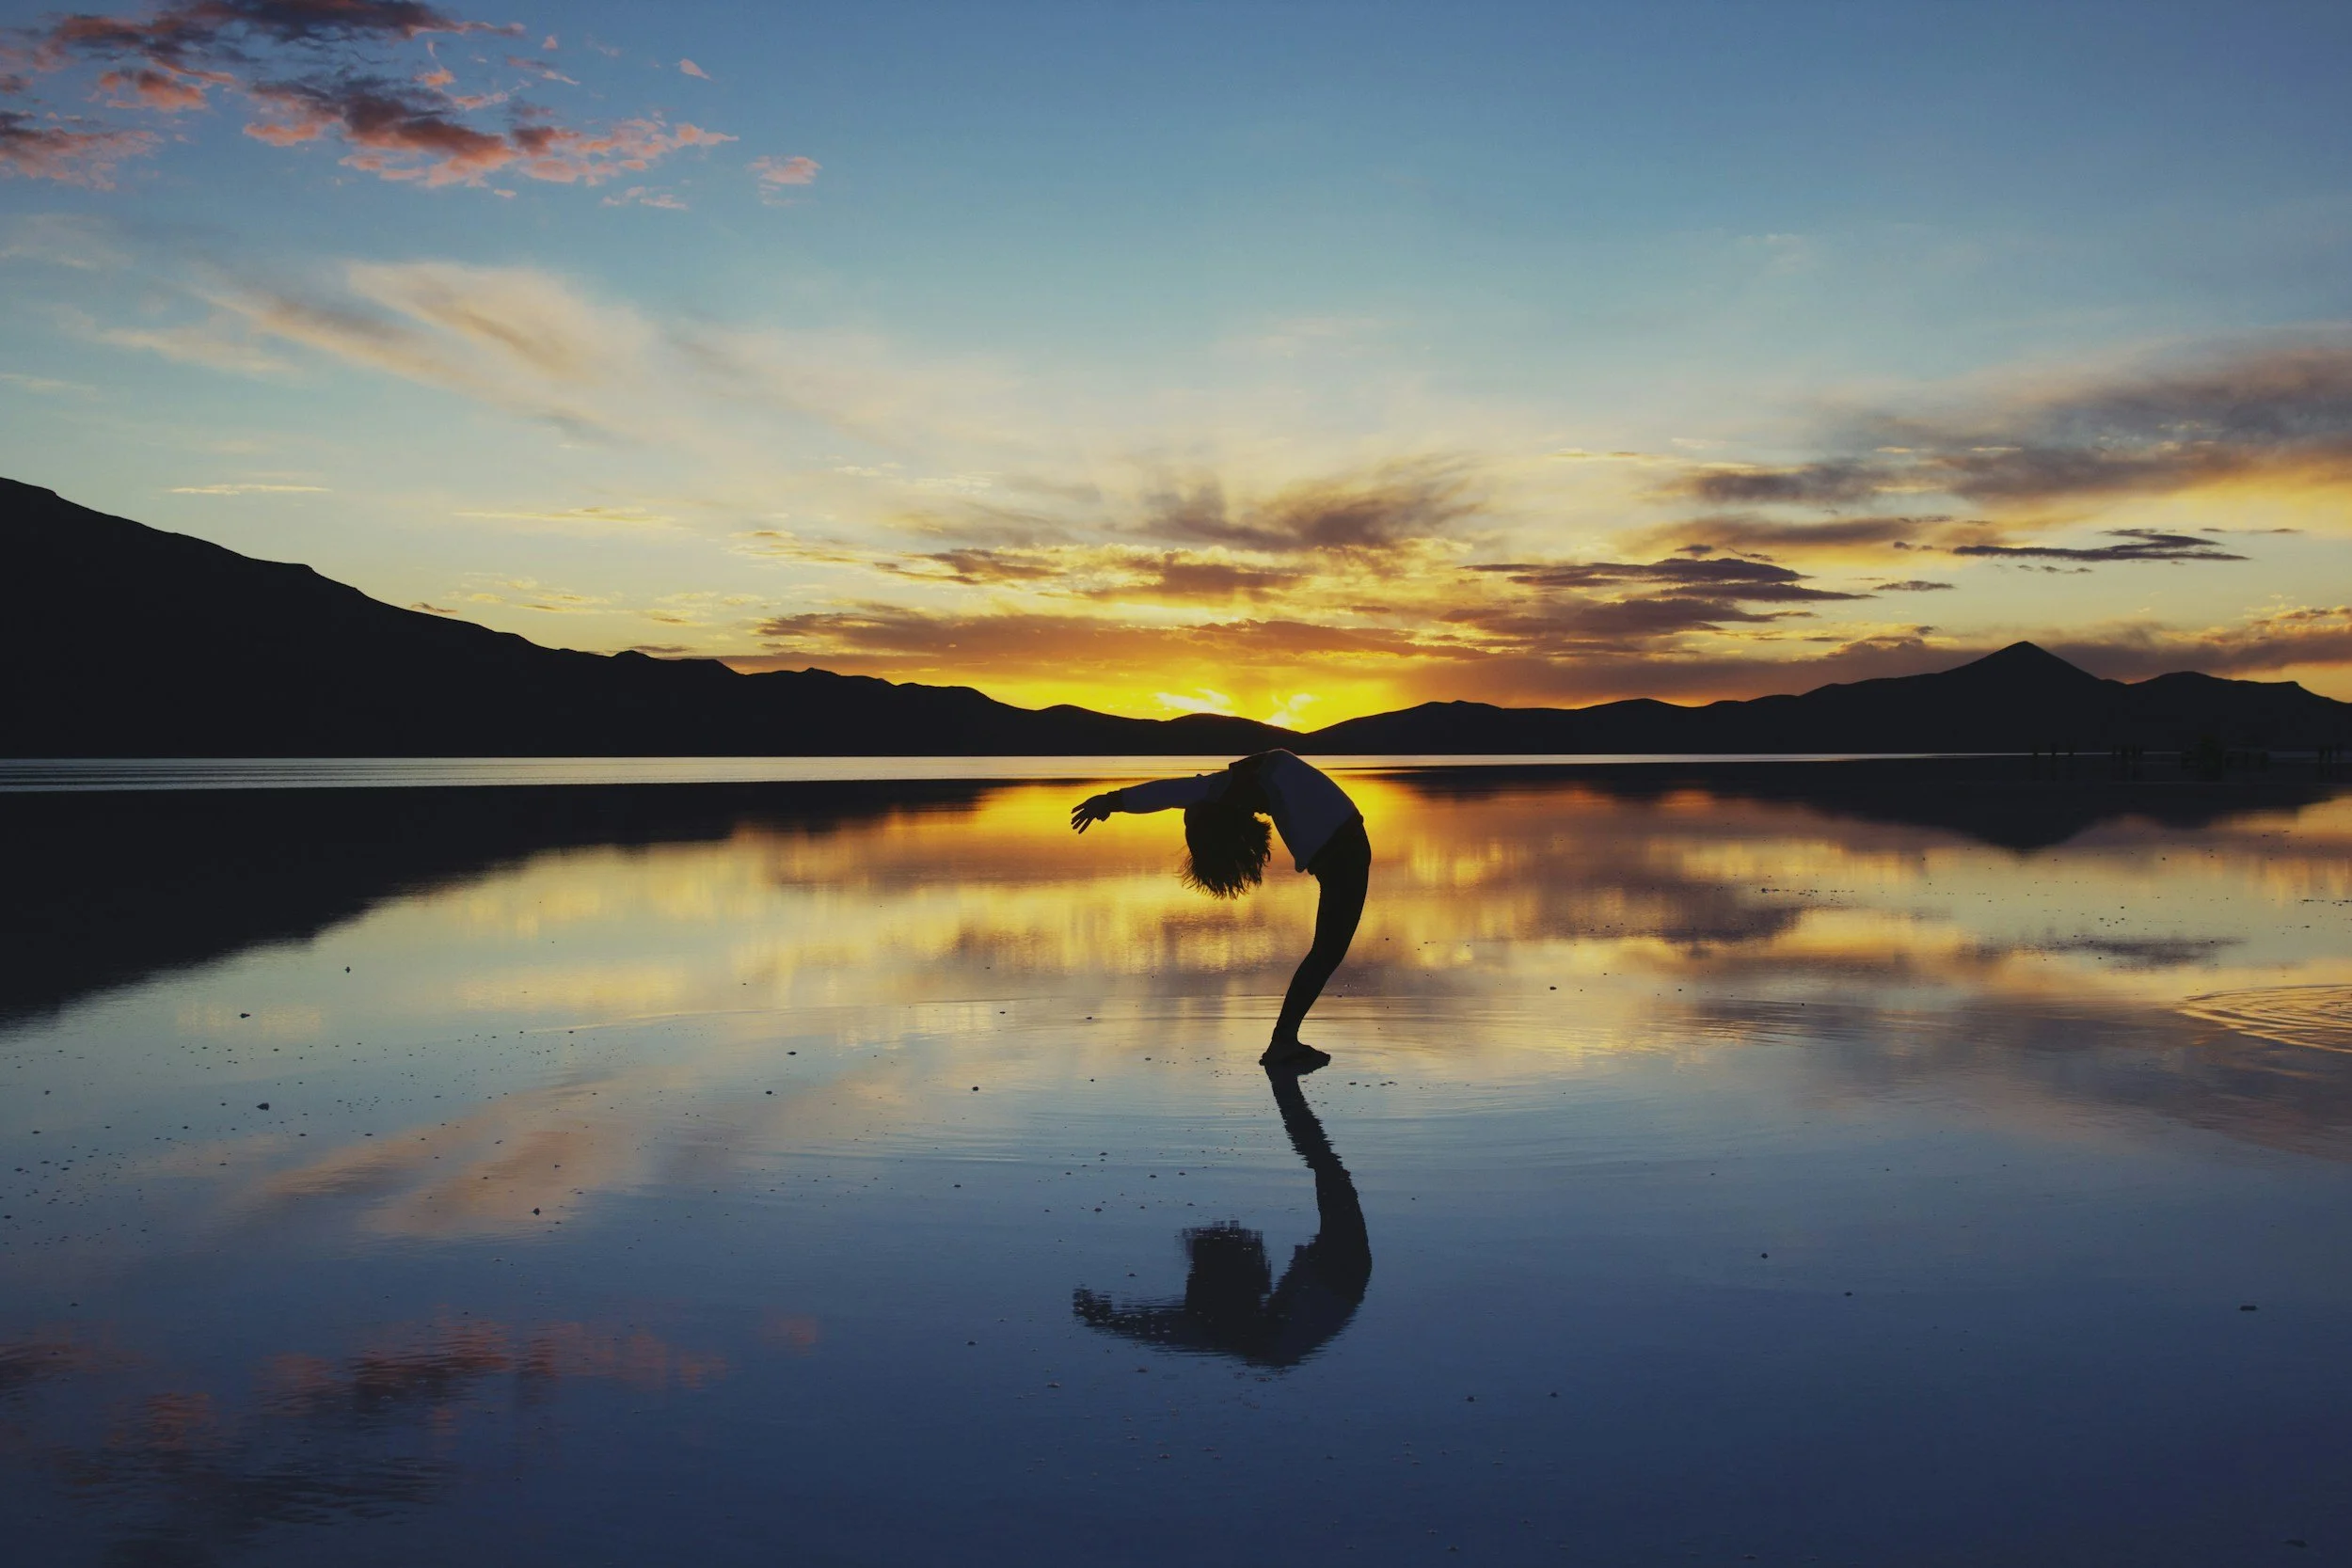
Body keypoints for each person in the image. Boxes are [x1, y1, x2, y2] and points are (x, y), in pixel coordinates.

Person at [1070, 749, 1369, 1069]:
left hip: (1341, 852)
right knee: (1325, 953)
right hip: (1341, 855)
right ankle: (1282, 1042)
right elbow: (1173, 793)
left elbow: (1172, 792)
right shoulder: (1243, 781)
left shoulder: (1237, 783)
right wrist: (1113, 802)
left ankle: (1284, 1041)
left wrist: (1113, 801)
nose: (1252, 812)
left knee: (1325, 953)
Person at [1072, 1067, 1372, 1368]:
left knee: (1327, 1167)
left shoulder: (1227, 1332)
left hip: (1330, 1291)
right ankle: (1285, 1086)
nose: (1190, 1284)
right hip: (1335, 1284)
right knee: (1327, 1168)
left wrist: (1114, 1321)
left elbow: (1170, 1330)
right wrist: (1113, 1321)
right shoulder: (1239, 1334)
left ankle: (1285, 1086)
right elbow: (1173, 1330)